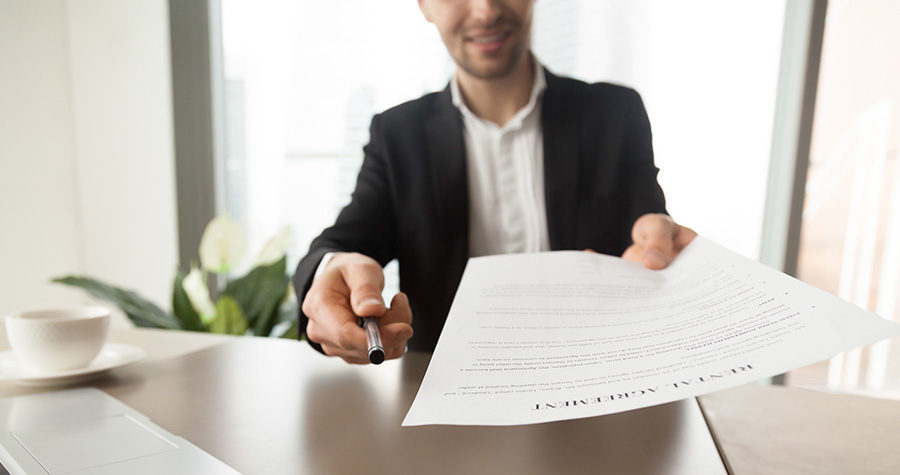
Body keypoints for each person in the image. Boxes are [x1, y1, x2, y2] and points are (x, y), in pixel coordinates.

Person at [293, 0, 696, 364]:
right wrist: (333, 272)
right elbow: (337, 249)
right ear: (423, 5)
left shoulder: (615, 115)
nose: (485, 10)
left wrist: (659, 257)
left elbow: (650, 234)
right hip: (450, 407)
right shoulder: (398, 135)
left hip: (598, 391)